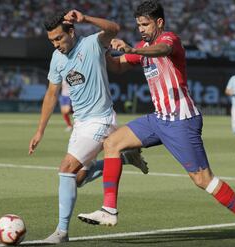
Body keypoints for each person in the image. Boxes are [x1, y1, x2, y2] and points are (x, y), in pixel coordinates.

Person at [77, 1, 235, 246]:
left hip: (182, 121)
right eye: (138, 25)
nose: (141, 29)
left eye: (145, 24)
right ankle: (109, 210)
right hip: (160, 119)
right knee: (112, 143)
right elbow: (117, 67)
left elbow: (162, 51)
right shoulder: (142, 47)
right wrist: (104, 49)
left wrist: (129, 49)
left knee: (203, 180)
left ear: (159, 22)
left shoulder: (170, 40)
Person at [28, 10, 147, 244]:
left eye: (59, 38)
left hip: (101, 119)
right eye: (52, 41)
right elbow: (51, 94)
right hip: (80, 123)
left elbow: (114, 29)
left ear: (71, 31)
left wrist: (87, 19)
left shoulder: (93, 43)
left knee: (66, 169)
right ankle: (125, 158)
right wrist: (40, 130)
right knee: (78, 178)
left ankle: (61, 232)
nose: (56, 44)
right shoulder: (57, 58)